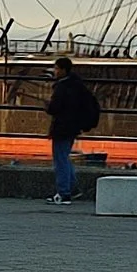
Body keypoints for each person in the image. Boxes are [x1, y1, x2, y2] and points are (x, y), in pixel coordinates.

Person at [43, 57, 100, 205]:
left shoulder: (62, 87)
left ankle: (64, 193)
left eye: (56, 69)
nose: (54, 72)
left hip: (62, 126)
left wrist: (47, 105)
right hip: (73, 126)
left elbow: (54, 108)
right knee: (64, 157)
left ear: (63, 70)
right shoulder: (78, 85)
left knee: (60, 159)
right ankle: (72, 189)